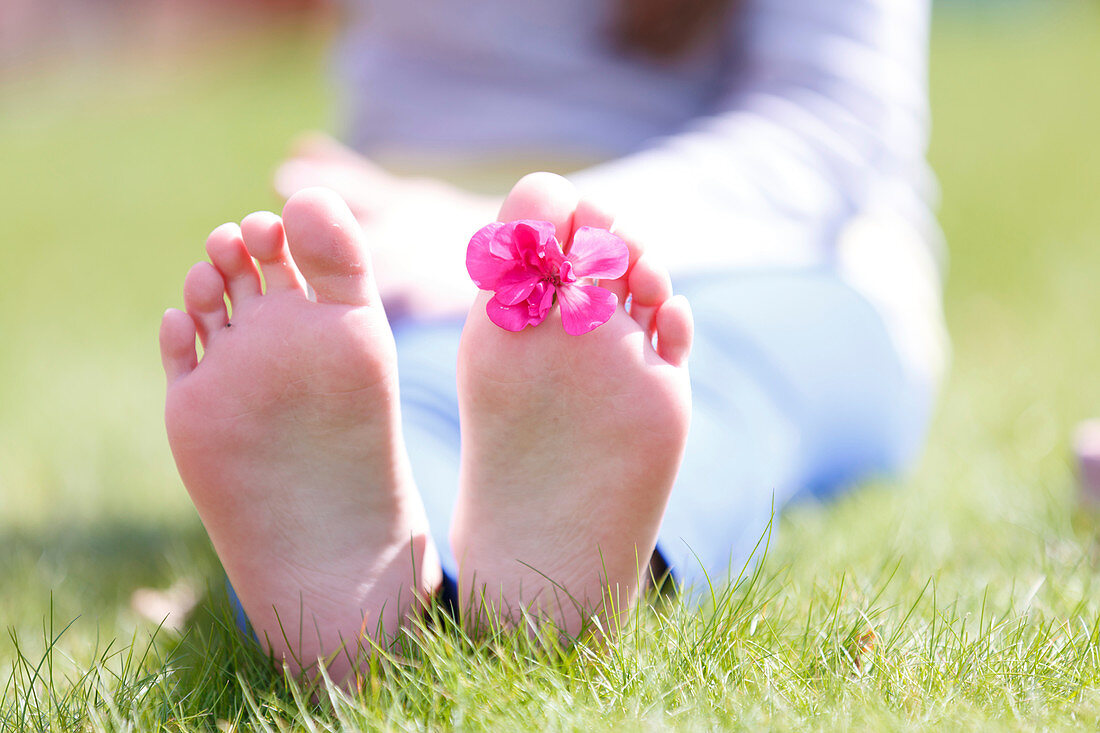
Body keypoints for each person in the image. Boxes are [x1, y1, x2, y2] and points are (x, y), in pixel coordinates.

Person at [159, 0, 947, 683]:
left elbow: (827, 127)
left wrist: (495, 237)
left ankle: (391, 600)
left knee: (678, 373)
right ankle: (405, 590)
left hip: (780, 257)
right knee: (396, 408)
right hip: (401, 241)